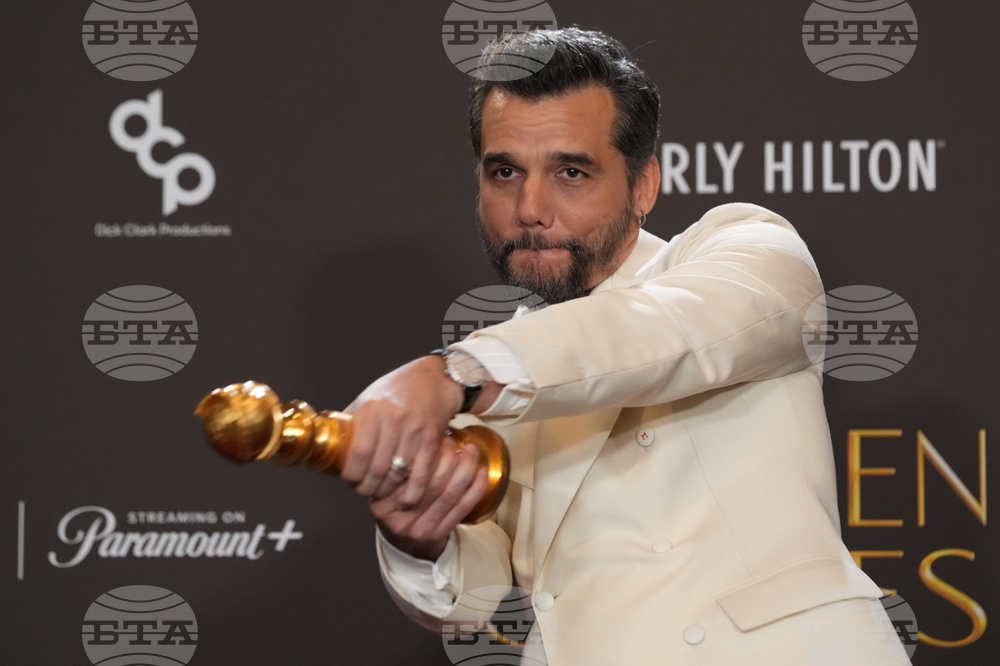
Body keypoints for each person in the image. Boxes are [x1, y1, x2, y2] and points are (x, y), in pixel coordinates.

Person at [340, 28, 912, 665]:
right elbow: (474, 599)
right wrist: (419, 539)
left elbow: (657, 331)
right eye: (505, 172)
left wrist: (453, 374)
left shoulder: (749, 250)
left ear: (644, 185)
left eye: (571, 172)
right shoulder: (496, 380)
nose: (530, 207)